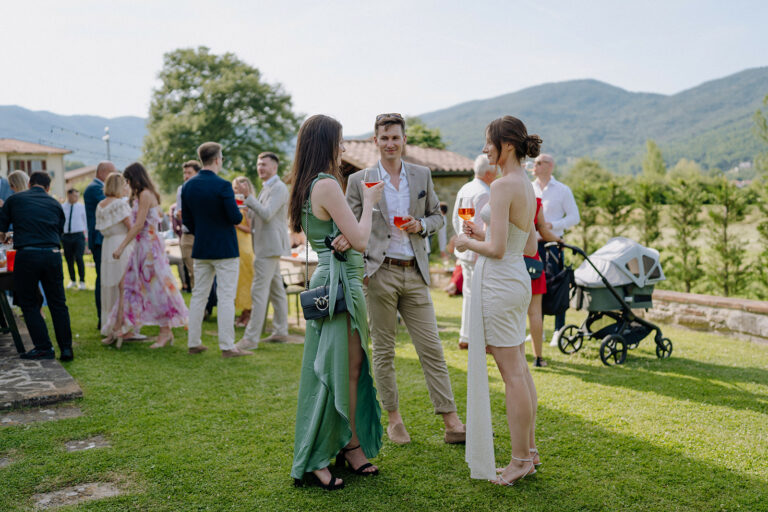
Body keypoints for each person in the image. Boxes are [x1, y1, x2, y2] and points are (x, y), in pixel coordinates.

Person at [346, 112, 465, 445]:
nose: (390, 143)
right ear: (375, 141)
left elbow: (436, 219)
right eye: (384, 138)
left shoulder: (421, 174)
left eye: (395, 137)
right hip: (379, 273)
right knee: (384, 352)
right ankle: (394, 419)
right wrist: (363, 270)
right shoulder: (360, 180)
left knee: (432, 350)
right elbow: (350, 226)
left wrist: (421, 226)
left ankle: (451, 420)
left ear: (404, 140)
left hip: (415, 272)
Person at [289, 114, 384, 491]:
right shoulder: (327, 184)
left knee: (346, 367)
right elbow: (360, 239)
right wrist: (371, 201)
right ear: (327, 143)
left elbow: (341, 233)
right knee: (339, 370)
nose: (344, 148)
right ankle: (324, 455)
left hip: (337, 279)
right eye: (340, 141)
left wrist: (345, 233)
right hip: (340, 285)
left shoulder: (309, 184)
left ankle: (349, 445)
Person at [456, 115, 541, 486]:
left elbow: (496, 248)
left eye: (487, 141)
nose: (484, 148)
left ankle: (520, 459)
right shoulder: (525, 185)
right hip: (516, 281)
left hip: (500, 284)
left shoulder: (503, 185)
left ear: (506, 145)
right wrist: (485, 229)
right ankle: (530, 452)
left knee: (511, 375)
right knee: (519, 368)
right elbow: (531, 243)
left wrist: (467, 241)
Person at [101, 163, 188, 348]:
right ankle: (122, 327)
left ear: (134, 178)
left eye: (128, 180)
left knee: (157, 289)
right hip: (142, 247)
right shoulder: (141, 195)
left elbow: (139, 225)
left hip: (149, 250)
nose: (128, 184)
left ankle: (164, 332)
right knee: (129, 286)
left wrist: (121, 247)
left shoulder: (145, 194)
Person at [182, 142, 249, 358]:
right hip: (225, 249)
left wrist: (201, 231)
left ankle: (193, 342)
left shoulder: (188, 186)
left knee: (198, 296)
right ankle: (227, 346)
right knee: (226, 297)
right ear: (218, 159)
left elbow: (188, 221)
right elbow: (235, 217)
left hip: (201, 247)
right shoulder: (222, 185)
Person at [0, 171, 73, 361]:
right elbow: (59, 231)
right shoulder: (55, 203)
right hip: (53, 254)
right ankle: (66, 349)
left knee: (29, 303)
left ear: (30, 183)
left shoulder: (15, 200)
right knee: (58, 303)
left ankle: (43, 348)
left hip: (27, 255)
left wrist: (6, 236)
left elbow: (2, 227)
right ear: (48, 188)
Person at [234, 152, 290, 349]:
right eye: (258, 165)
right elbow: (256, 214)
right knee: (277, 291)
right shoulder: (266, 187)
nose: (260, 168)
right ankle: (281, 331)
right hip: (266, 245)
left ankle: (250, 339)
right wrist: (244, 205)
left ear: (274, 167)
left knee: (258, 292)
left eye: (264, 165)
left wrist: (249, 198)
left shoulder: (279, 188)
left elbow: (266, 215)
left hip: (269, 246)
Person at [531, 154, 580, 346]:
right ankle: (538, 331)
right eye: (534, 162)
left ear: (550, 166)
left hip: (554, 245)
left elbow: (575, 217)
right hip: (533, 246)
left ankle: (559, 330)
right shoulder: (529, 187)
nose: (534, 165)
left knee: (558, 287)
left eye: (539, 163)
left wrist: (554, 225)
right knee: (536, 287)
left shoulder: (562, 190)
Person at [451, 154, 496, 350]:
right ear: (488, 173)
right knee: (481, 296)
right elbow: (485, 228)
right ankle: (480, 339)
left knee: (469, 295)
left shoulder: (465, 188)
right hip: (478, 251)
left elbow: (455, 219)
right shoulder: (486, 193)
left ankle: (466, 336)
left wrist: (462, 239)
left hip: (464, 251)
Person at [95, 173, 135, 342]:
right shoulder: (119, 204)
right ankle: (123, 326)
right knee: (123, 285)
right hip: (121, 245)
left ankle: (110, 326)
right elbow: (131, 227)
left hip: (107, 245)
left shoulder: (100, 205)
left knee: (109, 284)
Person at [527, 199, 562, 367]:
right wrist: (559, 241)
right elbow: (544, 232)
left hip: (509, 261)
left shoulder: (500, 195)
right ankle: (538, 358)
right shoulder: (534, 202)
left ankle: (514, 356)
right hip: (531, 262)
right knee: (534, 313)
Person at [84, 161, 115, 329]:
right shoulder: (95, 188)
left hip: (103, 240)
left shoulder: (97, 186)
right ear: (104, 172)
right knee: (102, 279)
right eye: (113, 173)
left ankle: (107, 316)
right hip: (99, 241)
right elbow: (112, 204)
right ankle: (102, 317)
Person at [232, 176, 254, 328]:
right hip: (234, 245)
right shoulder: (232, 204)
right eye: (234, 188)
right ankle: (243, 312)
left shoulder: (248, 205)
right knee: (238, 282)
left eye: (239, 188)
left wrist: (236, 225)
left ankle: (248, 312)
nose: (236, 191)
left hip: (245, 247)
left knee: (246, 281)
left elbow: (251, 229)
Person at [176, 160, 201, 291]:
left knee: (204, 272)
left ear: (197, 173)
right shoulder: (181, 189)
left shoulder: (203, 188)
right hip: (186, 235)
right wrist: (177, 214)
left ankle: (208, 304)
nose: (186, 176)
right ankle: (200, 309)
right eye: (184, 173)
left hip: (201, 234)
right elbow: (177, 210)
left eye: (189, 173)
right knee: (192, 271)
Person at [61, 189, 88, 290]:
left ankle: (82, 280)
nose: (76, 198)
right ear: (69, 195)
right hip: (66, 236)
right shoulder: (63, 207)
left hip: (78, 235)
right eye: (74, 196)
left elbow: (85, 222)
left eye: (77, 196)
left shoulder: (81, 207)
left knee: (79, 257)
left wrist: (86, 238)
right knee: (69, 259)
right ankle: (72, 280)